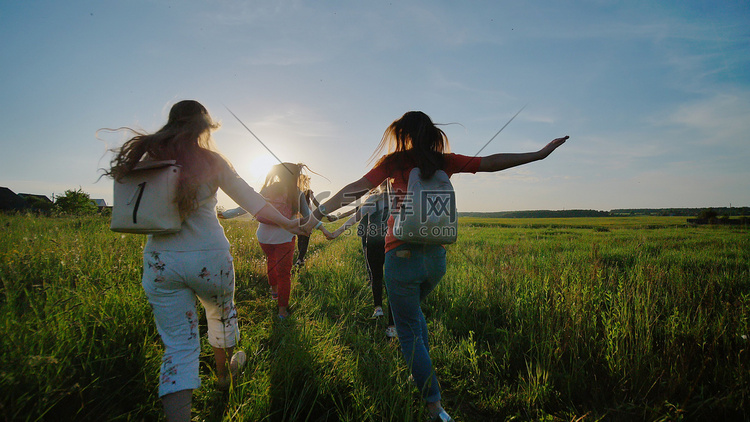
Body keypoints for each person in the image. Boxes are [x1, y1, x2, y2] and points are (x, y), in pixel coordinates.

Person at [312, 110, 568, 422]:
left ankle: (435, 407)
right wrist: (539, 155)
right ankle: (421, 370)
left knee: (406, 329)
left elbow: (356, 188)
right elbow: (490, 162)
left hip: (400, 255)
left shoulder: (395, 162)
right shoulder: (444, 161)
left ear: (403, 133)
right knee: (415, 317)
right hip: (435, 261)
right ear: (431, 133)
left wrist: (318, 212)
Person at [106, 100, 318, 422]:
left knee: (178, 346)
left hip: (161, 261)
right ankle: (224, 376)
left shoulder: (148, 157)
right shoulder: (212, 161)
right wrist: (291, 224)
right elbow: (254, 203)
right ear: (205, 126)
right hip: (209, 257)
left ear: (171, 121)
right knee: (220, 318)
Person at [224, 163, 330, 319]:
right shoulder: (297, 193)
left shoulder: (268, 190)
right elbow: (308, 217)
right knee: (284, 274)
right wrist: (323, 228)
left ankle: (274, 292)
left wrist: (229, 213)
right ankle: (282, 311)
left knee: (271, 262)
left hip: (263, 238)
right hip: (284, 239)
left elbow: (249, 204)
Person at [327, 182, 396, 338]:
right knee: (393, 282)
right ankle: (392, 325)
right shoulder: (399, 198)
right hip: (392, 244)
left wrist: (336, 233)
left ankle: (378, 308)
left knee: (376, 276)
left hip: (373, 242)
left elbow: (354, 218)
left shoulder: (372, 199)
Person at [294, 176, 320, 267]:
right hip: (307, 217)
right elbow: (315, 201)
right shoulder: (308, 191)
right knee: (305, 239)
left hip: (298, 218)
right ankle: (300, 259)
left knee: (300, 239)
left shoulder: (295, 191)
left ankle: (300, 259)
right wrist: (322, 209)